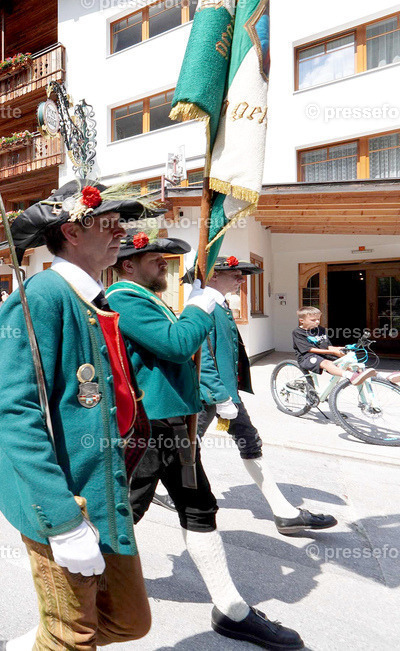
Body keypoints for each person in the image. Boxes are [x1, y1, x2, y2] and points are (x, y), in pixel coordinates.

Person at [106, 238, 304, 649]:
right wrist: (204, 300)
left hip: (175, 421)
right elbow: (177, 346)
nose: (164, 265)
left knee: (198, 508)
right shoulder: (123, 298)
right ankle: (78, 600)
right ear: (127, 266)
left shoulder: (144, 296)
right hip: (148, 426)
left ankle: (231, 609)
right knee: (123, 514)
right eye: (155, 260)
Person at [0, 182, 154, 651]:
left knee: (129, 620)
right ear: (72, 232)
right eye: (109, 222)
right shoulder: (41, 295)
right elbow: (15, 414)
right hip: (63, 497)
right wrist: (62, 521)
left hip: (101, 487)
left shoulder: (96, 296)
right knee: (73, 637)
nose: (121, 230)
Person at [199, 260, 338, 538]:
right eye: (235, 275)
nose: (241, 279)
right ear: (213, 276)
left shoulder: (220, 302)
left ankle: (284, 513)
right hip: (208, 393)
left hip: (224, 392)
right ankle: (148, 495)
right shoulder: (204, 304)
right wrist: (220, 395)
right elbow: (202, 356)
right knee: (181, 448)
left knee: (244, 442)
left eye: (242, 275)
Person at [293, 305, 377, 385]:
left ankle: (365, 375)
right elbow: (309, 349)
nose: (317, 321)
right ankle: (351, 376)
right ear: (301, 320)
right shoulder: (298, 332)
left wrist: (342, 348)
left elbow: (328, 346)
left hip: (323, 354)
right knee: (327, 363)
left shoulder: (321, 329)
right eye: (313, 320)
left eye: (318, 319)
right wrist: (332, 352)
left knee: (345, 363)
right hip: (307, 357)